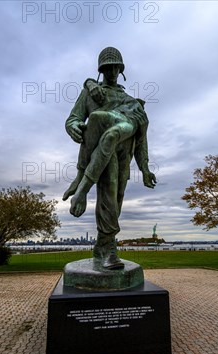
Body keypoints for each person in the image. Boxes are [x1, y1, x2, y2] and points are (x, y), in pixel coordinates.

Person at [63, 47, 156, 270]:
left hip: (125, 152)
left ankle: (101, 245)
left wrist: (144, 168)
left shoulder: (130, 101)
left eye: (115, 67)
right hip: (102, 153)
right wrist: (74, 126)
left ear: (121, 69)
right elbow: (73, 119)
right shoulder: (90, 93)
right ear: (101, 70)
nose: (112, 71)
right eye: (107, 68)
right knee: (108, 190)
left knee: (116, 199)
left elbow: (141, 140)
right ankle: (110, 251)